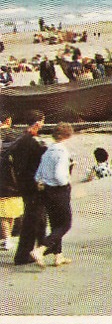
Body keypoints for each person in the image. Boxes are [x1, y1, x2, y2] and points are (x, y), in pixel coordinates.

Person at [6, 112, 47, 263]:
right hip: (33, 186)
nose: (42, 125)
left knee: (40, 218)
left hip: (24, 185)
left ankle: (42, 247)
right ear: (37, 124)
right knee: (32, 219)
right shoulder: (33, 142)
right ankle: (24, 255)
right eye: (42, 122)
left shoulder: (21, 140)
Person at [33, 123, 75, 267]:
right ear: (67, 135)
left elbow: (38, 173)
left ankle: (58, 255)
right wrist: (66, 181)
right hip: (59, 190)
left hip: (46, 190)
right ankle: (41, 248)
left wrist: (43, 181)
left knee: (55, 223)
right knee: (65, 223)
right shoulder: (62, 152)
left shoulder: (48, 151)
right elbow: (59, 174)